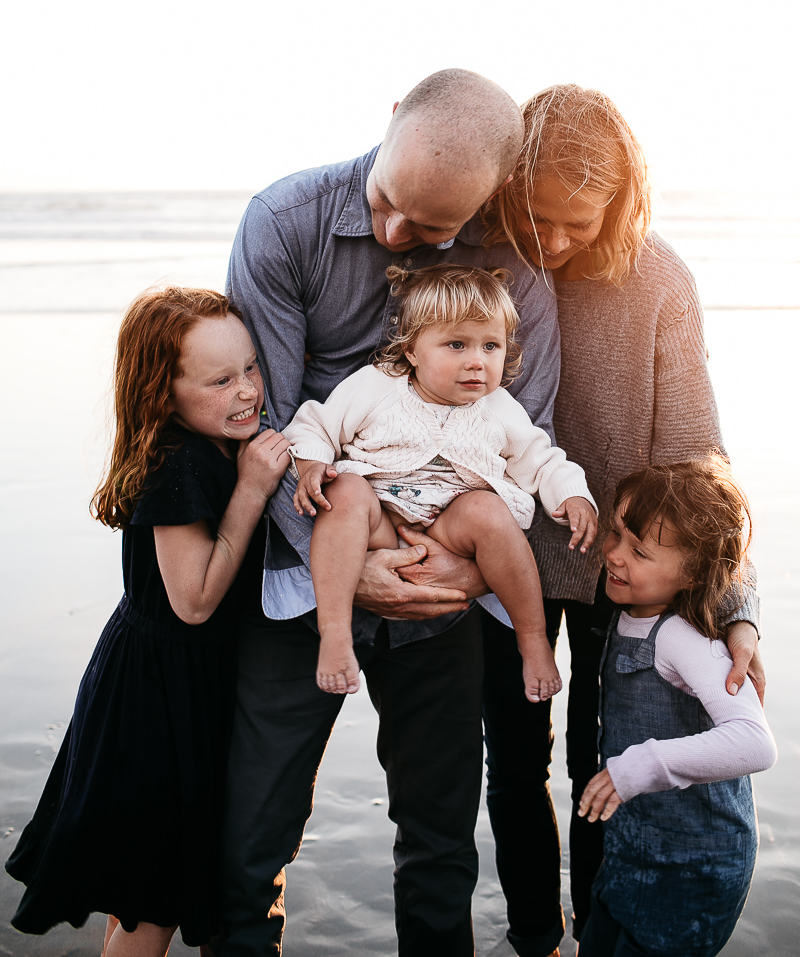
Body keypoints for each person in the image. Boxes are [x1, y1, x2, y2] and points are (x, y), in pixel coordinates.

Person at [217, 68, 561, 957]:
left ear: (487, 204)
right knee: (252, 838)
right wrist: (352, 568)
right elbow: (271, 421)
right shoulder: (284, 223)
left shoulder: (514, 269)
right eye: (390, 203)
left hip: (443, 583)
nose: (396, 234)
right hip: (306, 575)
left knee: (441, 843)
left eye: (433, 228)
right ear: (393, 114)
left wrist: (458, 566)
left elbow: (529, 433)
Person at [455, 84, 763, 957]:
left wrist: (734, 607)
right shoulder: (488, 254)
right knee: (512, 764)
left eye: (577, 225)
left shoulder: (660, 279)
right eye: (538, 216)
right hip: (501, 557)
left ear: (621, 202)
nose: (551, 242)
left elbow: (701, 460)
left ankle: (596, 932)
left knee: (602, 768)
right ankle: (532, 939)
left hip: (619, 571)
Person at [5, 287, 289, 957]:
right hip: (157, 701)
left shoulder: (216, 442)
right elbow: (193, 600)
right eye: (220, 380)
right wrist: (250, 491)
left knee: (140, 892)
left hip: (178, 683)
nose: (246, 390)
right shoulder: (178, 461)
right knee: (151, 899)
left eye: (251, 367)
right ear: (165, 393)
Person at [287, 264, 597, 699]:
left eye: (491, 346)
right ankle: (334, 632)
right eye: (456, 344)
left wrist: (573, 494)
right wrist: (313, 463)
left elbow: (542, 461)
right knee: (345, 493)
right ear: (412, 350)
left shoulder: (499, 407)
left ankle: (532, 640)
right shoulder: (376, 387)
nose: (477, 361)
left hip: (449, 528)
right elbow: (315, 425)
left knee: (488, 510)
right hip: (380, 518)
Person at [577, 459, 777, 956]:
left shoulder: (685, 639)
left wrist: (646, 764)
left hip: (693, 871)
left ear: (692, 575)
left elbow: (755, 743)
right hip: (631, 853)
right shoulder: (630, 615)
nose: (615, 555)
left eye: (639, 551)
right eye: (616, 533)